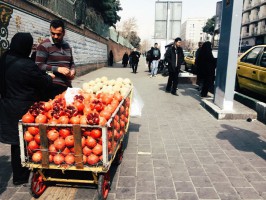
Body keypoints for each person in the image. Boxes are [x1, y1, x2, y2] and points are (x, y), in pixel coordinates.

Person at [0, 32, 54, 185]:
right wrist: (50, 78)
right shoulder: (27, 65)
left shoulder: (4, 58)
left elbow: (18, 70)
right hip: (23, 107)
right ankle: (30, 171)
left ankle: (19, 176)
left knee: (15, 142)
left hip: (6, 105)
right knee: (28, 139)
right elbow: (42, 82)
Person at [35, 19, 76, 101]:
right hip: (51, 87)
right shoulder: (44, 45)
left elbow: (71, 63)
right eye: (53, 33)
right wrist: (58, 69)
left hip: (67, 87)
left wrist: (72, 71)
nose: (55, 36)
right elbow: (38, 65)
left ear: (64, 33)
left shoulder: (67, 46)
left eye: (58, 34)